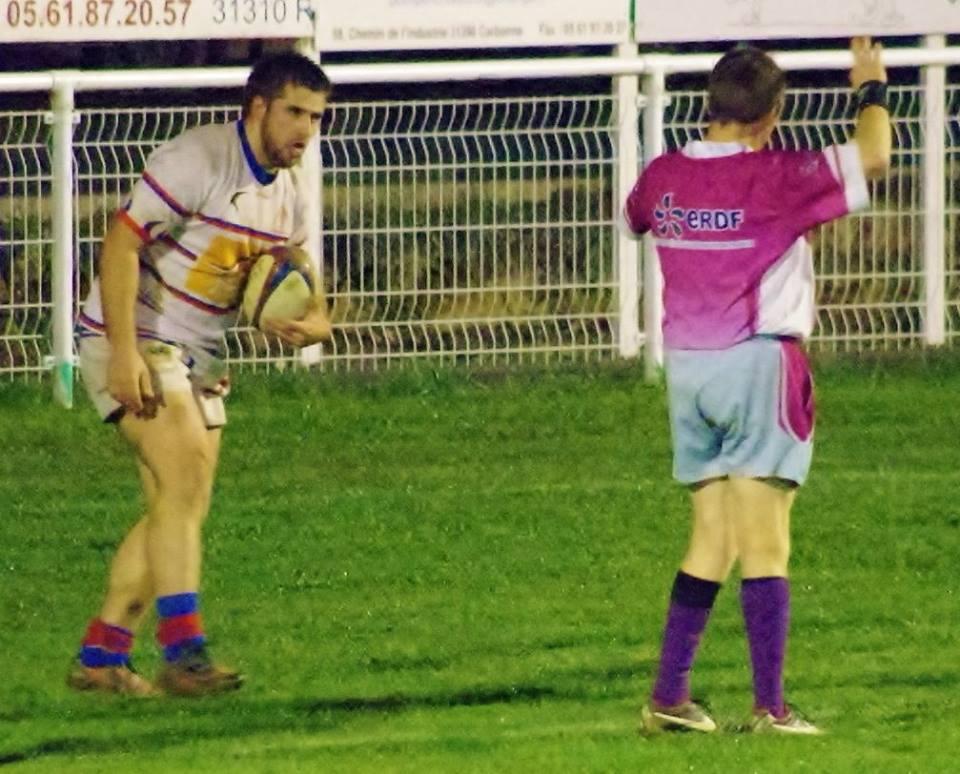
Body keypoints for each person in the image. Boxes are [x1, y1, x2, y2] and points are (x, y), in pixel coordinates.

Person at [622, 38, 890, 733]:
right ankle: (770, 708)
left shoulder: (664, 173)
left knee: (714, 535)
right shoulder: (777, 175)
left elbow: (637, 216)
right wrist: (870, 88)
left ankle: (669, 698)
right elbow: (874, 156)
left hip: (689, 372)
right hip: (758, 366)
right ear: (772, 115)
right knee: (767, 542)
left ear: (710, 104)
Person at [68, 52, 334, 696]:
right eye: (295, 113)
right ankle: (184, 653)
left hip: (200, 357)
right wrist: (125, 354)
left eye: (316, 118)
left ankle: (102, 656)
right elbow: (121, 242)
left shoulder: (288, 195)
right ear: (258, 107)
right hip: (135, 338)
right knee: (183, 484)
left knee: (178, 504)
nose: (306, 130)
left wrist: (316, 318)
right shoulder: (198, 160)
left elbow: (292, 268)